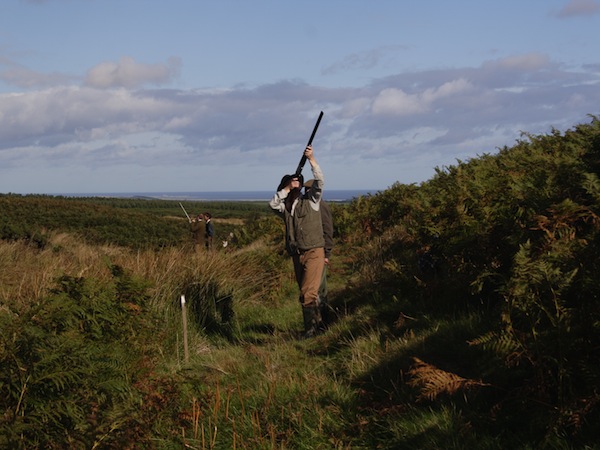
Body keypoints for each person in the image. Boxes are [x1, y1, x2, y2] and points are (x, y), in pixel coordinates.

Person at [269, 145, 325, 338]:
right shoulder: (287, 207)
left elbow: (320, 181)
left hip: (314, 251)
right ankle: (318, 326)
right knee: (305, 293)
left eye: (298, 182)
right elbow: (273, 203)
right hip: (297, 254)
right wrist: (287, 188)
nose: (297, 185)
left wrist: (312, 159)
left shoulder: (312, 200)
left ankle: (310, 332)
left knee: (308, 293)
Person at [304, 178, 334, 329]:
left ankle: (324, 323)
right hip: (312, 252)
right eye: (306, 190)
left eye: (309, 190)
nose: (306, 192)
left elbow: (328, 231)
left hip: (320, 252)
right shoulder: (309, 207)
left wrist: (327, 254)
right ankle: (319, 323)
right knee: (314, 289)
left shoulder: (321, 206)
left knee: (320, 290)